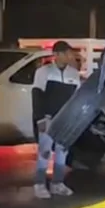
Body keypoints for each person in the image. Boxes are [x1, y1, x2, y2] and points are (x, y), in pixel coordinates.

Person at [32, 41, 80, 199]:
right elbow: (37, 96)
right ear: (57, 55)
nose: (70, 56)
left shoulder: (73, 73)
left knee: (62, 153)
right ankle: (39, 184)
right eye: (67, 53)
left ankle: (57, 183)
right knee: (45, 152)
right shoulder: (43, 72)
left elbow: (76, 99)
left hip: (65, 120)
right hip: (48, 118)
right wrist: (40, 118)